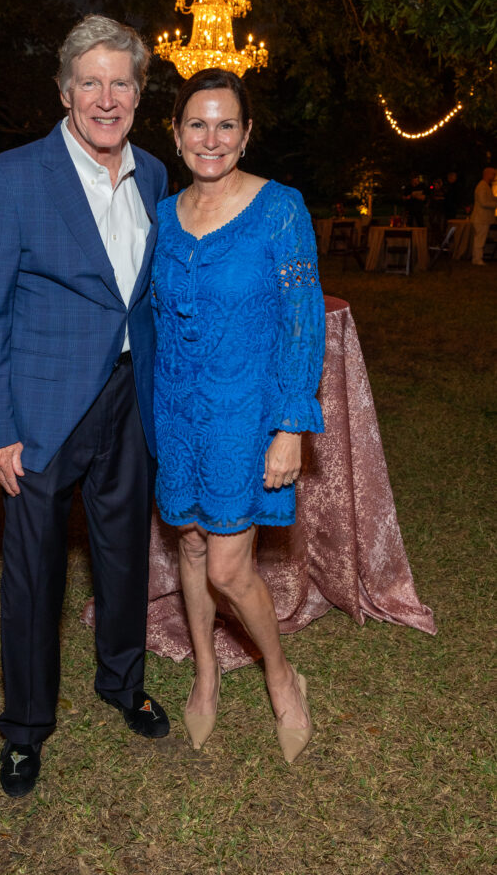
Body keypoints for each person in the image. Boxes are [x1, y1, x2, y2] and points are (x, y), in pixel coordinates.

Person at [0, 15, 170, 798]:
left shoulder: (152, 175)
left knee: (123, 557)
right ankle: (24, 728)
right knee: (34, 575)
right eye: (91, 81)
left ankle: (122, 683)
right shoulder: (9, 178)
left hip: (126, 400)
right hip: (40, 409)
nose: (105, 97)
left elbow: (142, 301)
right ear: (64, 91)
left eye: (121, 82)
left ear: (139, 96)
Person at [151, 69, 325, 762]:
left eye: (226, 124)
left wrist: (289, 427)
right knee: (189, 545)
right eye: (197, 123)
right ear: (174, 134)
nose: (211, 138)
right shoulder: (161, 216)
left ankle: (281, 678)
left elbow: (301, 323)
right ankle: (204, 677)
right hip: (174, 411)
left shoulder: (280, 208)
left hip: (244, 415)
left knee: (228, 568)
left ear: (247, 134)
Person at [470, 166, 497, 265]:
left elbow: (489, 200)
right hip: (481, 218)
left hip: (483, 218)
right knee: (480, 239)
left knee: (480, 238)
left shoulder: (485, 186)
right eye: (493, 174)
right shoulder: (482, 186)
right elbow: (484, 202)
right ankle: (477, 259)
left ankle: (477, 258)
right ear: (487, 174)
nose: (494, 176)